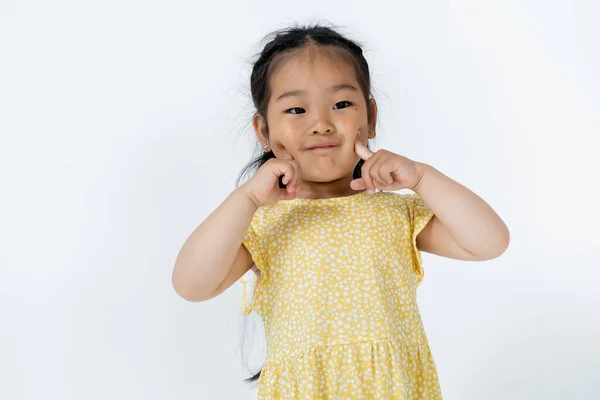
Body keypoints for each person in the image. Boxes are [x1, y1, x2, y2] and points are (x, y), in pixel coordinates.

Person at [172, 22, 510, 399]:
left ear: (370, 118)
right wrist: (246, 200)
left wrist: (421, 177)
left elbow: (489, 242)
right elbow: (191, 285)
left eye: (341, 104)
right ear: (264, 131)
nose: (321, 124)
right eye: (297, 109)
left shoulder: (395, 213)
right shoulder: (262, 223)